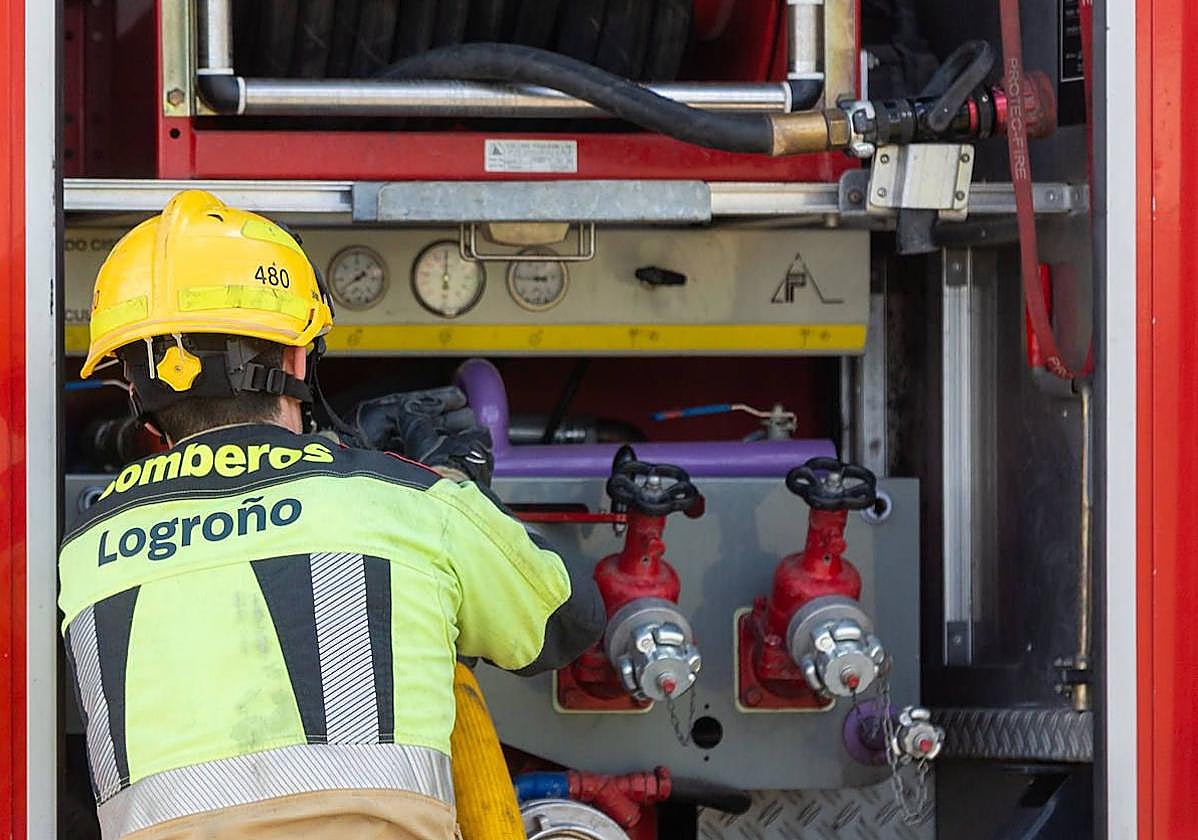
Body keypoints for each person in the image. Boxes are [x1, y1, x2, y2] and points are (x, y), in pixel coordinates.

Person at [58, 190, 605, 839]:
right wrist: (459, 489)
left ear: (130, 385)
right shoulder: (409, 505)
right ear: (296, 358)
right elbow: (565, 625)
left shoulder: (84, 551)